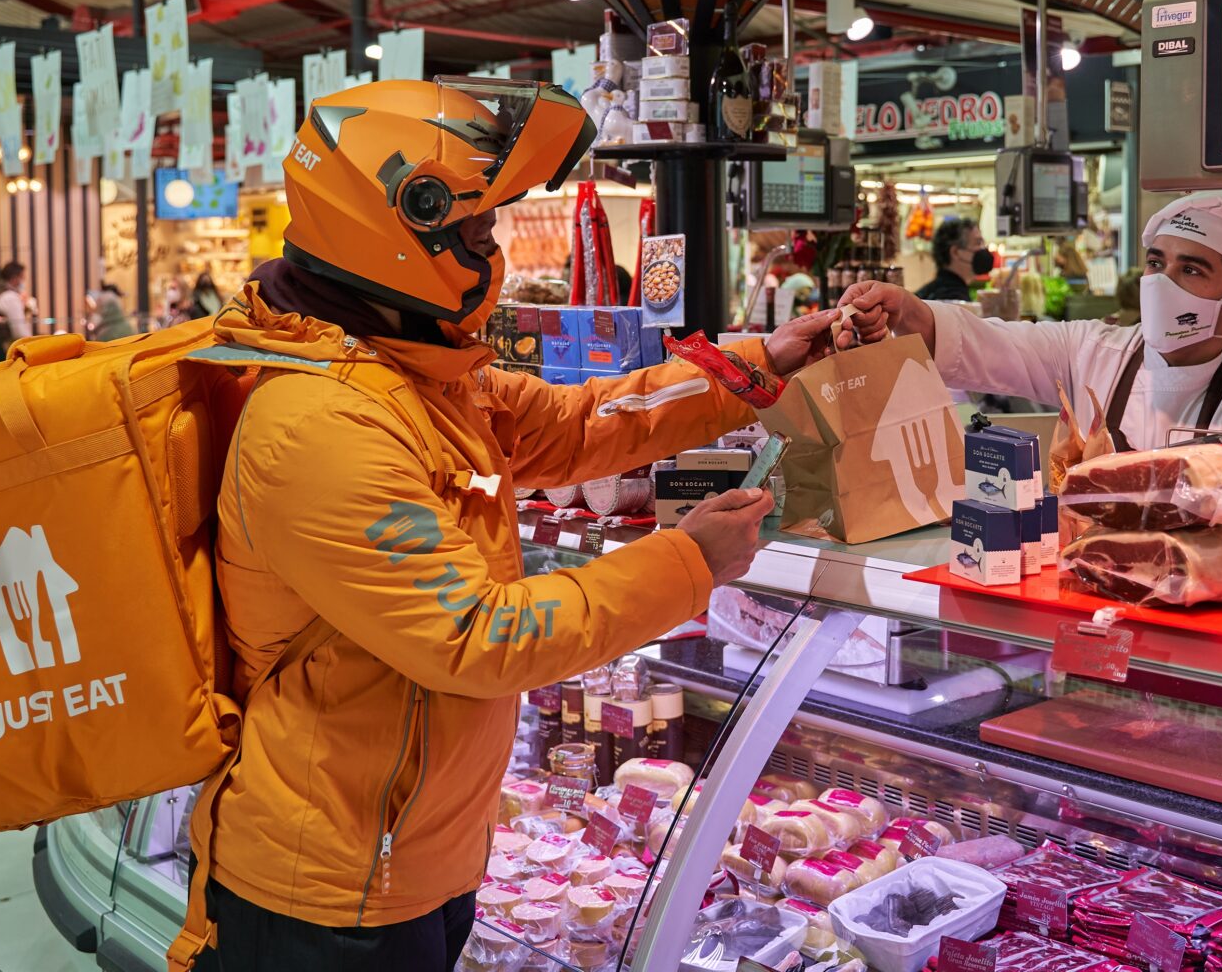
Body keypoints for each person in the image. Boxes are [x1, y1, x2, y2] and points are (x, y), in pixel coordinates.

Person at [190, 77, 836, 972]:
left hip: (416, 855)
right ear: (403, 237)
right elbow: (479, 635)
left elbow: (579, 424)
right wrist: (688, 562)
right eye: (479, 233)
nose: (492, 254)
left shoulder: (415, 374)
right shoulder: (320, 426)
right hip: (329, 893)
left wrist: (756, 364)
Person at [836, 190, 1222, 450]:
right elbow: (987, 345)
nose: (1162, 283)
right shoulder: (1092, 350)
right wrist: (907, 309)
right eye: (1156, 263)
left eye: (1190, 270)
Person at [915, 216, 994, 302]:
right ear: (955, 252)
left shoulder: (927, 292)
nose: (983, 249)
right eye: (978, 243)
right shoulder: (954, 299)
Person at [0, 261, 33, 343]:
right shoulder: (10, 297)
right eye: (22, 277)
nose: (23, 281)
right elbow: (20, 331)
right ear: (14, 278)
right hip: (6, 345)